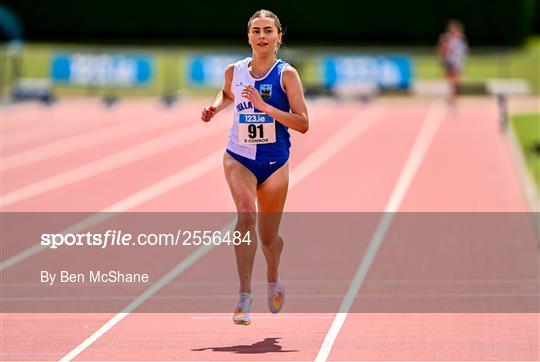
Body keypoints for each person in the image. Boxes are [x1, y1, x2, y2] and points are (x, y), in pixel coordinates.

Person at [201, 9, 309, 325]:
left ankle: (273, 278)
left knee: (268, 238)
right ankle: (244, 296)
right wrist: (215, 107)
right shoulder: (235, 71)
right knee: (246, 216)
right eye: (256, 31)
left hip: (275, 162)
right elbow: (226, 93)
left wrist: (264, 107)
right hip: (239, 156)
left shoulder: (286, 75)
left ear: (278, 37)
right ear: (248, 36)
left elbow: (303, 123)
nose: (262, 36)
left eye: (268, 31)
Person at [437, 20, 468, 105]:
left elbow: (463, 51)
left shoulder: (460, 39)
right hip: (449, 61)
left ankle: (455, 96)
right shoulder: (445, 38)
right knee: (449, 79)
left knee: (456, 79)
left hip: (457, 61)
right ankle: (451, 95)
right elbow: (442, 49)